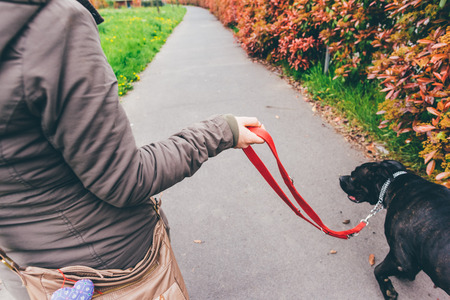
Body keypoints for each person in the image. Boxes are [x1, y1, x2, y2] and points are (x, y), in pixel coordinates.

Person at [0, 0, 264, 299]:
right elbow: (124, 180)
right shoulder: (52, 24)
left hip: (29, 272)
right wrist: (220, 131)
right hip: (115, 270)